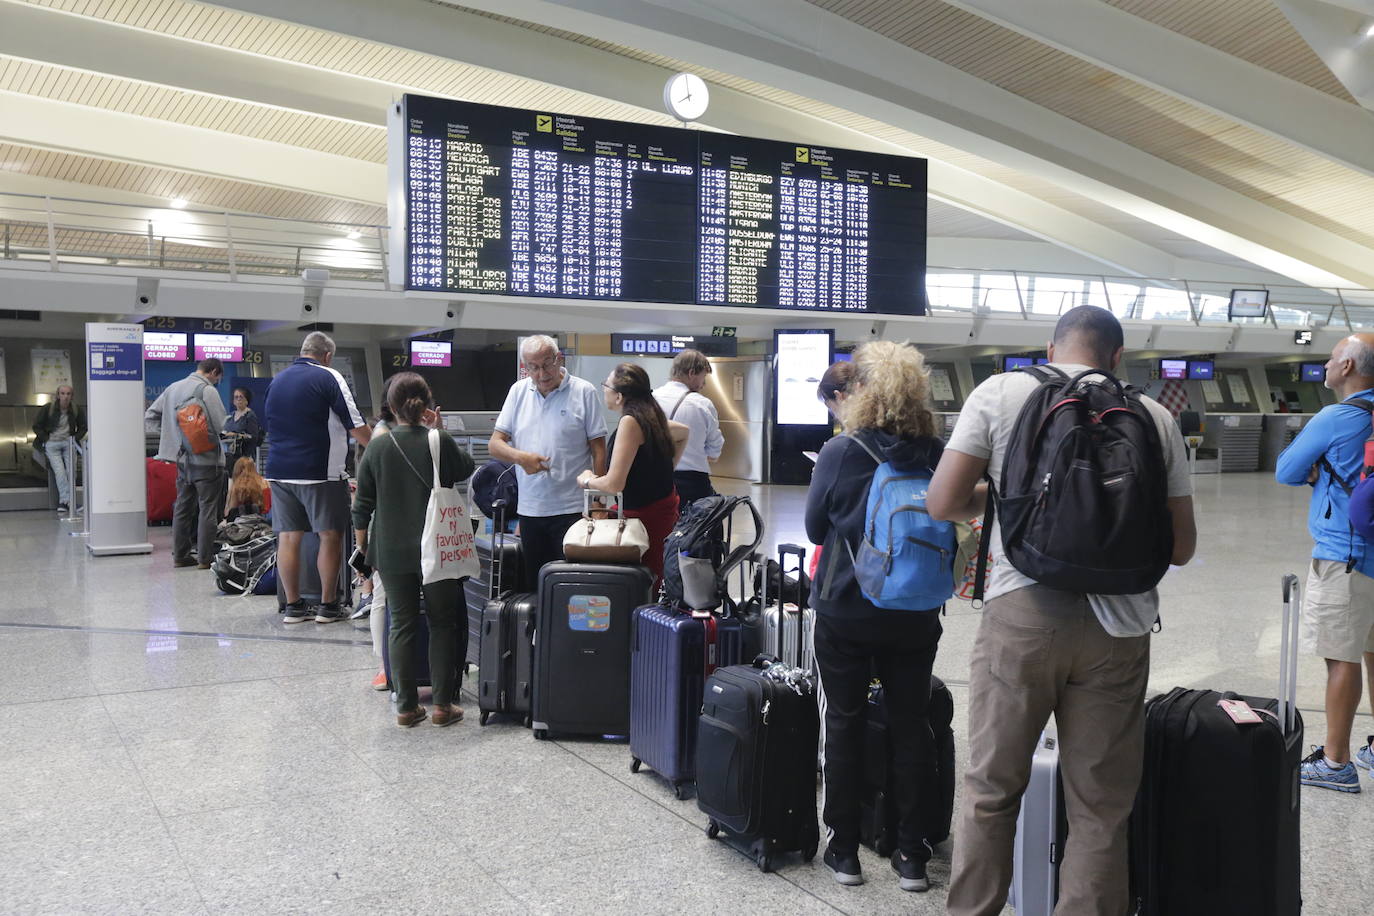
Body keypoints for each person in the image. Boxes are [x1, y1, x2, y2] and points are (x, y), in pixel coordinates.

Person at [928, 306, 1196, 915]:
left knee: (992, 787)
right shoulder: (1154, 415)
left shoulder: (1001, 392)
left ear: (1050, 347)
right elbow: (1182, 548)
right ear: (1118, 356)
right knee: (1101, 806)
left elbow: (942, 502)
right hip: (1120, 627)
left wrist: (1000, 496)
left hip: (1022, 613)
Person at [802, 342, 946, 894]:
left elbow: (816, 529)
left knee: (844, 718)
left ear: (860, 392)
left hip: (847, 605)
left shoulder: (843, 451)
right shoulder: (935, 450)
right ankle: (912, 855)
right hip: (914, 607)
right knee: (911, 725)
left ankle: (844, 852)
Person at [1276, 332, 1374, 792]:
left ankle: (1335, 763)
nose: (1327, 364)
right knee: (1373, 650)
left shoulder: (1336, 417)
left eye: (1333, 357)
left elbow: (1287, 469)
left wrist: (1317, 468)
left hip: (1344, 556)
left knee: (1341, 658)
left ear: (1350, 366)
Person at [352, 372, 475, 728]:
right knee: (442, 623)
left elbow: (362, 505)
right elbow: (466, 468)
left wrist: (363, 550)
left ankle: (406, 706)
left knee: (401, 623)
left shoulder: (377, 446)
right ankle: (441, 705)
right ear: (427, 404)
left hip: (390, 551)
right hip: (436, 547)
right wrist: (437, 429)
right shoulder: (439, 440)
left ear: (390, 407)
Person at [263, 332, 372, 624]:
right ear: (327, 356)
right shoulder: (329, 377)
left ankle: (293, 607)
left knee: (287, 537)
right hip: (320, 473)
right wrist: (379, 447)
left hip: (279, 472)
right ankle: (327, 605)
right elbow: (355, 424)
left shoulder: (277, 381)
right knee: (330, 536)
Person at [489, 335, 607, 580]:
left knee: (574, 585)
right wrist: (521, 457)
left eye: (547, 364)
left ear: (559, 359)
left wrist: (598, 501)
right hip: (531, 510)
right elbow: (495, 445)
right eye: (533, 367)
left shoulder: (584, 391)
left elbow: (598, 449)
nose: (542, 373)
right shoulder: (518, 392)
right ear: (526, 367)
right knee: (537, 584)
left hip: (573, 510)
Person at [578, 363, 688, 585]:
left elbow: (614, 484)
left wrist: (587, 479)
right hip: (661, 511)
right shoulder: (651, 416)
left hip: (641, 520)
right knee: (655, 579)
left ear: (619, 396)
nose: (603, 390)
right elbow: (684, 433)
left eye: (605, 385)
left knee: (639, 583)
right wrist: (665, 469)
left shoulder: (630, 422)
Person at [146, 358, 228, 569]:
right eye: (218, 378)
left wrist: (172, 436)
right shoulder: (207, 390)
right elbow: (220, 425)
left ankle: (180, 556)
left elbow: (150, 416)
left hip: (182, 461)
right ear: (214, 372)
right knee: (207, 510)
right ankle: (205, 558)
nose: (217, 381)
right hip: (208, 461)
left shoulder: (173, 388)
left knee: (183, 508)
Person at [652, 349, 724, 507]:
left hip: (653, 479)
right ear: (692, 373)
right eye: (703, 377)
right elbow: (714, 451)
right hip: (692, 482)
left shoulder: (651, 399)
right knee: (697, 528)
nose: (703, 384)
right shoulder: (702, 404)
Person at [32, 384, 86, 512]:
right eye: (62, 393)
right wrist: (46, 439)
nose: (65, 397)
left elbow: (83, 427)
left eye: (68, 394)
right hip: (52, 444)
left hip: (68, 443)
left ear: (72, 396)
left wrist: (74, 439)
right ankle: (67, 502)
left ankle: (65, 502)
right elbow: (36, 426)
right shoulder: (48, 408)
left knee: (71, 472)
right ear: (57, 395)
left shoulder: (75, 409)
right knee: (60, 473)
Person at [221, 386, 263, 467]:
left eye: (241, 397)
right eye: (236, 397)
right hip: (230, 456)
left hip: (245, 457)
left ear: (246, 401)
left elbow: (254, 437)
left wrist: (236, 435)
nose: (238, 399)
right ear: (233, 401)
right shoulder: (230, 416)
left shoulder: (250, 416)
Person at [223, 457, 269, 521]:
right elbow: (267, 507)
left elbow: (231, 509)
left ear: (237, 470)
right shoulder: (265, 483)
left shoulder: (236, 486)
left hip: (240, 523)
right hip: (262, 521)